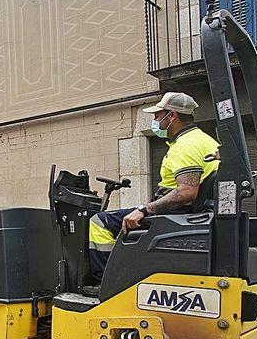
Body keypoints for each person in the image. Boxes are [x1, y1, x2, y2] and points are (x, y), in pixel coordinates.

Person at [88, 92, 220, 281]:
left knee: (99, 222)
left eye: (158, 115)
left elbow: (187, 191)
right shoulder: (205, 140)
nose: (155, 120)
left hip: (176, 213)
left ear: (172, 115)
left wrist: (144, 210)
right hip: (189, 212)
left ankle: (106, 282)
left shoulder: (185, 145)